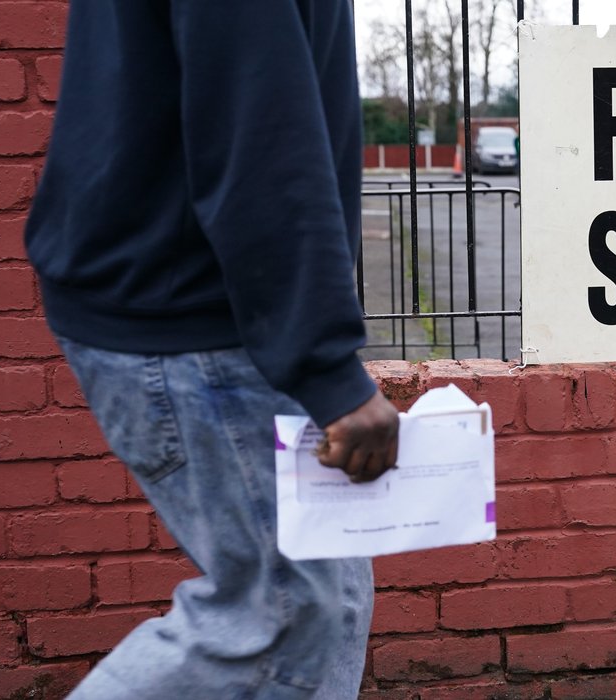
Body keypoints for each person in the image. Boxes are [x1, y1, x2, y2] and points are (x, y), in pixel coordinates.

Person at [25, 2, 397, 698]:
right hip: (197, 318)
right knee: (279, 616)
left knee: (325, 601)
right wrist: (325, 367)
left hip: (198, 304)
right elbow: (259, 134)